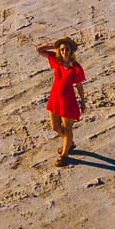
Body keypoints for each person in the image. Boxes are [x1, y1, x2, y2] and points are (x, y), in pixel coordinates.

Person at [36, 36, 86, 166]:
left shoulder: (76, 67)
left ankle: (64, 155)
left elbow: (79, 85)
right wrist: (55, 46)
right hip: (55, 98)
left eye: (67, 49)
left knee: (67, 128)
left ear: (71, 51)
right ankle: (68, 143)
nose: (64, 51)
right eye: (62, 49)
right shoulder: (55, 60)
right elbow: (39, 50)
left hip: (68, 101)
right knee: (55, 127)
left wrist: (83, 101)